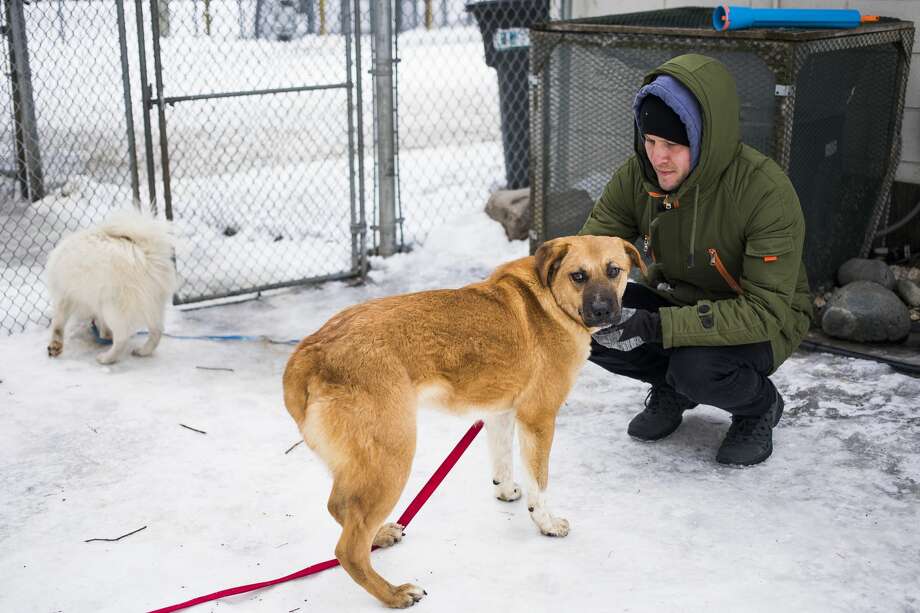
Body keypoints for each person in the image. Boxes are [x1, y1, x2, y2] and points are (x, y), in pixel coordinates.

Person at [579, 54, 813, 466]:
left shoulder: (764, 192)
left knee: (696, 366)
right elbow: (587, 251)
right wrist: (541, 303)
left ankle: (759, 406)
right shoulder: (638, 176)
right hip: (678, 300)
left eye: (672, 144)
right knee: (588, 318)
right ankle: (673, 387)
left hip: (761, 321)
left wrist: (657, 326)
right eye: (650, 142)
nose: (658, 158)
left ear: (704, 137)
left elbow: (765, 310)